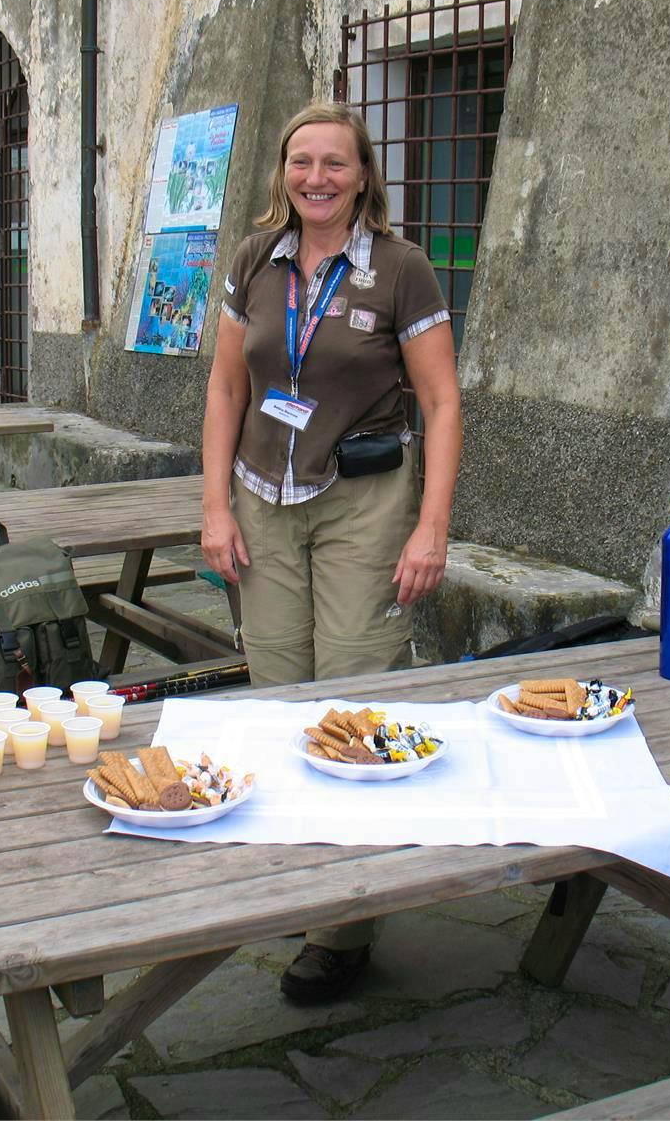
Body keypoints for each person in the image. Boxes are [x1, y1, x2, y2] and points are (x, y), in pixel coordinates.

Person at [201, 102, 462, 1003]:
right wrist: (213, 509)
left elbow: (443, 404)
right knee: (279, 698)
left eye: (335, 164)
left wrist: (431, 528)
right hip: (262, 504)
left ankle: (342, 926)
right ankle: (293, 876)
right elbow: (228, 386)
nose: (317, 177)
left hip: (364, 503)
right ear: (283, 172)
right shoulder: (253, 260)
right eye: (301, 161)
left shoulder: (401, 270)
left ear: (363, 175)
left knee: (350, 703)